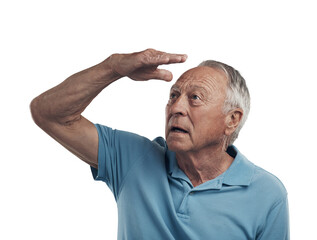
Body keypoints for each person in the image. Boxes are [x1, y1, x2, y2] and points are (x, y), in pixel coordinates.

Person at [30, 48, 289, 239]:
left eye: (195, 98)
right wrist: (112, 68)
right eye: (173, 95)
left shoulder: (267, 194)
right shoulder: (133, 158)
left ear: (232, 120)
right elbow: (49, 113)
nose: (176, 107)